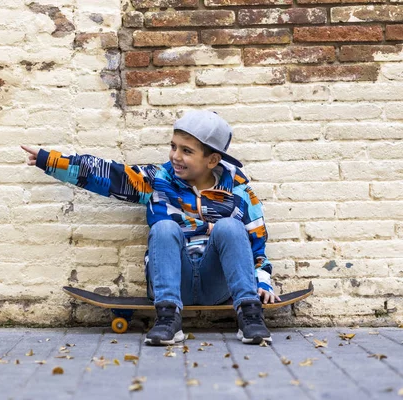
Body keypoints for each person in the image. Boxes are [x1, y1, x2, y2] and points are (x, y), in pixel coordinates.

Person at [21, 110, 280, 346]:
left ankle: (250, 314)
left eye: (187, 151)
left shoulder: (239, 192)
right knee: (165, 227)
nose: (175, 156)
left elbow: (256, 239)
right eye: (173, 147)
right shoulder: (158, 181)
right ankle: (167, 319)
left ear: (212, 160)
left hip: (217, 283)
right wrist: (51, 161)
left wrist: (263, 281)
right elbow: (109, 175)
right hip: (172, 282)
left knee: (231, 228)